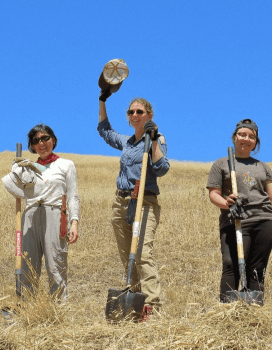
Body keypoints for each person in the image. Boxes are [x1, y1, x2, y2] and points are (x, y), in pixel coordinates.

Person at [98, 89, 170, 321]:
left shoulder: (157, 139)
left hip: (144, 202)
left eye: (140, 111)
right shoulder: (127, 142)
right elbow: (105, 131)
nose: (135, 115)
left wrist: (154, 139)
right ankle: (135, 303)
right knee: (126, 254)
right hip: (121, 203)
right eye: (131, 112)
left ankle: (152, 305)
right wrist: (102, 100)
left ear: (149, 115)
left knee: (142, 254)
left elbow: (162, 169)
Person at [2, 124, 79, 300]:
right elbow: (16, 191)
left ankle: (59, 307)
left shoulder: (66, 164)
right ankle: (26, 307)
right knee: (28, 264)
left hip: (55, 214)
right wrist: (16, 172)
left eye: (45, 138)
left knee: (55, 264)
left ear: (53, 139)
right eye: (36, 140)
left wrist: (74, 222)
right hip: (30, 215)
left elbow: (73, 195)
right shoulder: (27, 168)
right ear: (32, 145)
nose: (41, 143)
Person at [207, 119, 272, 303]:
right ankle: (227, 308)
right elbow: (214, 194)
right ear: (235, 137)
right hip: (235, 219)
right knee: (231, 264)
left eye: (251, 136)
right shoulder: (222, 164)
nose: (246, 139)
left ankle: (254, 312)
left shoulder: (263, 167)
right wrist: (227, 203)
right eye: (242, 134)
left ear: (256, 142)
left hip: (264, 220)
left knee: (258, 268)